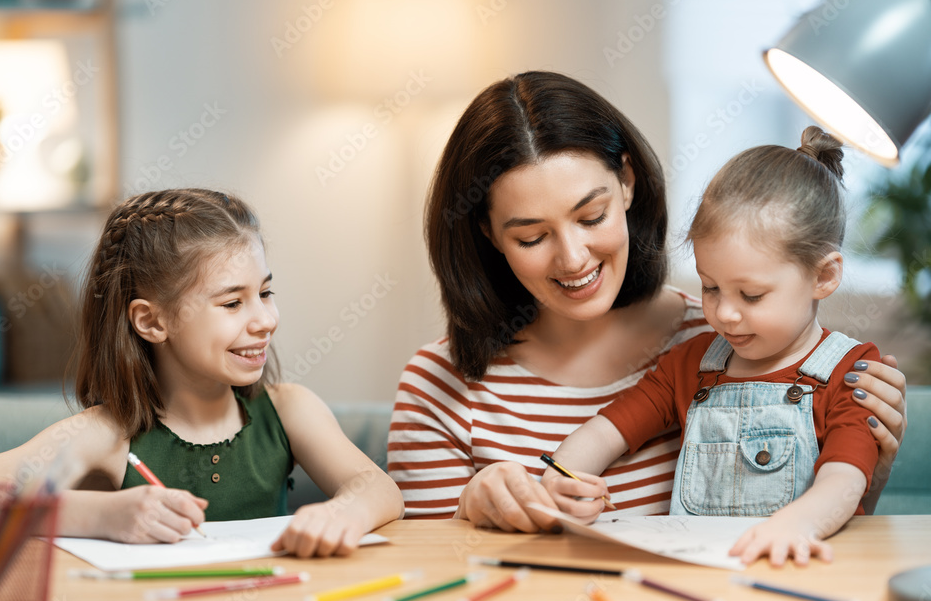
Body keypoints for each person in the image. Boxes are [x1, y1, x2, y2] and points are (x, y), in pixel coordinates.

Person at [388, 71, 907, 533]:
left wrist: (870, 473)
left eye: (591, 217)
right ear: (489, 234)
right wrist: (480, 508)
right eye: (531, 237)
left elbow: (839, 502)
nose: (572, 259)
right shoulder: (439, 385)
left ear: (628, 182)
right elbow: (430, 592)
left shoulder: (705, 337)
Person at [0, 189, 403, 557]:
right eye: (233, 303)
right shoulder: (109, 435)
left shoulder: (289, 410)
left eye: (266, 292)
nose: (264, 320)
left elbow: (379, 488)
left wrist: (345, 512)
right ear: (152, 321)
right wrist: (101, 516)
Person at [543, 127, 878, 566]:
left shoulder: (852, 370)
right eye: (710, 287)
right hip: (698, 574)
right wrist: (562, 477)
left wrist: (799, 523)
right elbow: (608, 430)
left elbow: (846, 475)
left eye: (752, 295)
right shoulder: (690, 363)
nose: (725, 314)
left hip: (798, 569)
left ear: (823, 277)